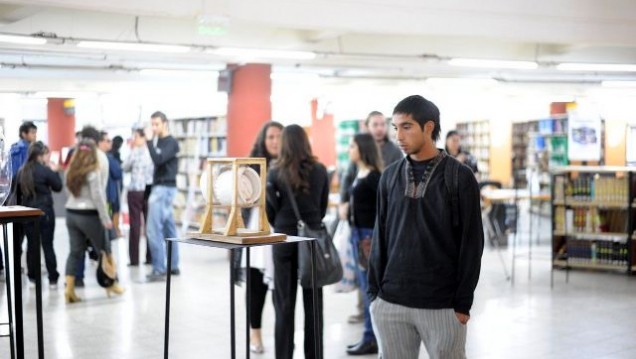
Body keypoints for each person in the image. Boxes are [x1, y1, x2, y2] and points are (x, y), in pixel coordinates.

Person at [368, 95, 484, 359]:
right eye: (395, 127)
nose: (398, 135)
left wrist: (462, 303)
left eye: (406, 127)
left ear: (429, 127)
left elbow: (472, 243)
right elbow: (380, 236)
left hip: (442, 306)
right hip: (391, 302)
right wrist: (374, 294)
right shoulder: (389, 177)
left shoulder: (459, 176)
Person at [266, 124, 329, 359]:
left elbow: (269, 211)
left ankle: (283, 355)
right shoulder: (321, 170)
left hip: (283, 240)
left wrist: (284, 223)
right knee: (314, 305)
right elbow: (321, 209)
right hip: (312, 241)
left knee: (283, 304)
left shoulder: (274, 172)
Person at [339, 111, 402, 324]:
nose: (379, 128)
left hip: (371, 230)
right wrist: (344, 202)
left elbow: (390, 195)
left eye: (382, 124)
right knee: (364, 280)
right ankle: (367, 320)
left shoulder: (392, 153)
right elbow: (348, 180)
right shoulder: (358, 167)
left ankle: (373, 327)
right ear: (368, 126)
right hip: (360, 229)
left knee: (371, 280)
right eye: (375, 124)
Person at [235, 121, 283, 354]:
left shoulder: (290, 165)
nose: (275, 141)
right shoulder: (251, 166)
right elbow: (240, 199)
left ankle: (282, 335)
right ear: (263, 140)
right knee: (255, 287)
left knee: (281, 289)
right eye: (271, 137)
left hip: (281, 231)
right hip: (256, 232)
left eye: (279, 137)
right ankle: (255, 333)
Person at [64, 139, 124, 303]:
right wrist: (106, 219)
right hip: (89, 215)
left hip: (71, 213)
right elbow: (98, 196)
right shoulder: (93, 170)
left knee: (75, 252)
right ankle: (112, 284)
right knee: (105, 249)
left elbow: (67, 191)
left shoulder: (71, 170)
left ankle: (69, 291)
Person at [344, 133, 383, 356]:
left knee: (369, 289)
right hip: (358, 235)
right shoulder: (360, 173)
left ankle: (371, 337)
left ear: (363, 149)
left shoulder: (373, 176)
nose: (350, 150)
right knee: (365, 287)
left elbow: (382, 210)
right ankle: (369, 335)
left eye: (352, 146)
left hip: (367, 237)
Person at [13, 142, 62, 289]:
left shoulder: (21, 171)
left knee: (32, 245)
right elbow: (58, 186)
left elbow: (17, 194)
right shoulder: (45, 170)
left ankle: (33, 277)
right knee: (48, 245)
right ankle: (52, 278)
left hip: (28, 214)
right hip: (45, 212)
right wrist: (55, 171)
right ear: (40, 155)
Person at [146, 111, 180, 281]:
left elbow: (158, 160)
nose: (153, 128)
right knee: (169, 229)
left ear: (165, 123)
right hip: (162, 188)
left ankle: (159, 268)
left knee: (153, 230)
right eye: (152, 124)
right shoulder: (160, 141)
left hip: (163, 189)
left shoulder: (171, 143)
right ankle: (173, 266)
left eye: (156, 124)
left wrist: (148, 142)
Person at [6, 121, 38, 277]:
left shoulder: (13, 149)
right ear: (24, 133)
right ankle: (27, 268)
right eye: (32, 133)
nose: (34, 136)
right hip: (25, 197)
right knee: (28, 235)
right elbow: (19, 175)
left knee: (18, 236)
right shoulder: (22, 150)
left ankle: (18, 266)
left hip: (16, 198)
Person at [123, 127, 154, 266]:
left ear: (142, 137)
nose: (134, 140)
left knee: (135, 225)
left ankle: (134, 260)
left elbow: (125, 167)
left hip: (135, 190)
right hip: (149, 190)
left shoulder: (134, 152)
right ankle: (150, 258)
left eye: (135, 137)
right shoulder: (151, 151)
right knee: (149, 225)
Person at [99, 131, 123, 238]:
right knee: (108, 216)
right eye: (108, 141)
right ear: (100, 142)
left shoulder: (93, 156)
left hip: (103, 195)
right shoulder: (108, 157)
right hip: (107, 195)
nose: (111, 143)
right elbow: (118, 172)